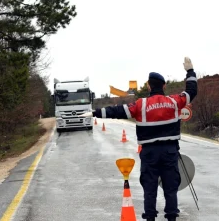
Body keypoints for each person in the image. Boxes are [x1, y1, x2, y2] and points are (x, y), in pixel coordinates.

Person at [81, 57, 198, 221]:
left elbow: (117, 111)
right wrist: (190, 71)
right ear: (163, 86)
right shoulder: (174, 101)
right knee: (170, 188)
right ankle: (171, 218)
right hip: (170, 152)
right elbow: (192, 91)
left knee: (150, 189)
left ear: (149, 86)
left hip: (149, 154)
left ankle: (150, 218)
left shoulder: (140, 105)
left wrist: (95, 113)